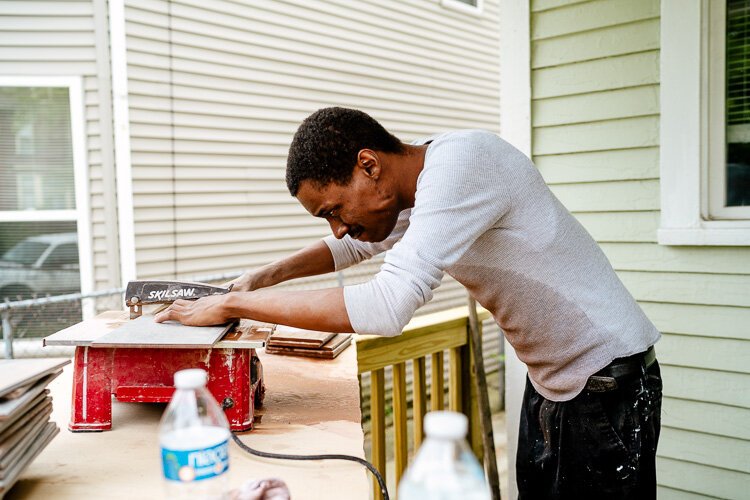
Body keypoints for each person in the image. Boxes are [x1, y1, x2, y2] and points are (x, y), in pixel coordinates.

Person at [156, 107, 662, 499]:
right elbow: (354, 244)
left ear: (369, 165)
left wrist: (236, 306)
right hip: (554, 383)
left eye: (333, 209)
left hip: (606, 381)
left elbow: (387, 305)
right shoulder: (416, 190)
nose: (336, 225)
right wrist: (259, 278)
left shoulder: (463, 165)